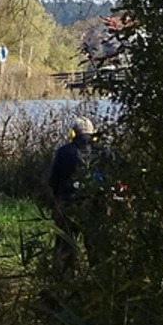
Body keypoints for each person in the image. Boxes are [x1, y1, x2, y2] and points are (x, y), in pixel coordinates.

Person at [45, 116, 113, 274]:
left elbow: (53, 181)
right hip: (96, 204)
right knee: (96, 246)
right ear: (93, 132)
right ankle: (100, 278)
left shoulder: (64, 152)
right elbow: (116, 174)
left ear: (73, 133)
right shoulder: (104, 151)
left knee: (65, 246)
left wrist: (55, 200)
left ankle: (64, 281)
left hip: (69, 205)